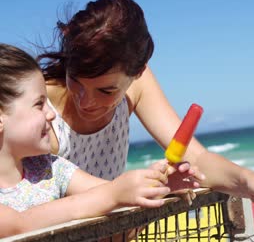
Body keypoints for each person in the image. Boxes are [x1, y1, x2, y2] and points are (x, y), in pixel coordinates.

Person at [38, 0, 254, 214]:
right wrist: (145, 189)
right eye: (76, 81)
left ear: (138, 73)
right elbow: (32, 211)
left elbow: (197, 160)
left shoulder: (139, 86)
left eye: (105, 90)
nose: (86, 101)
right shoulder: (38, 110)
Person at [0, 43, 200, 238]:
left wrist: (158, 186)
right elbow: (18, 226)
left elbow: (111, 194)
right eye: (39, 104)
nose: (51, 114)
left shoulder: (49, 167)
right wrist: (114, 194)